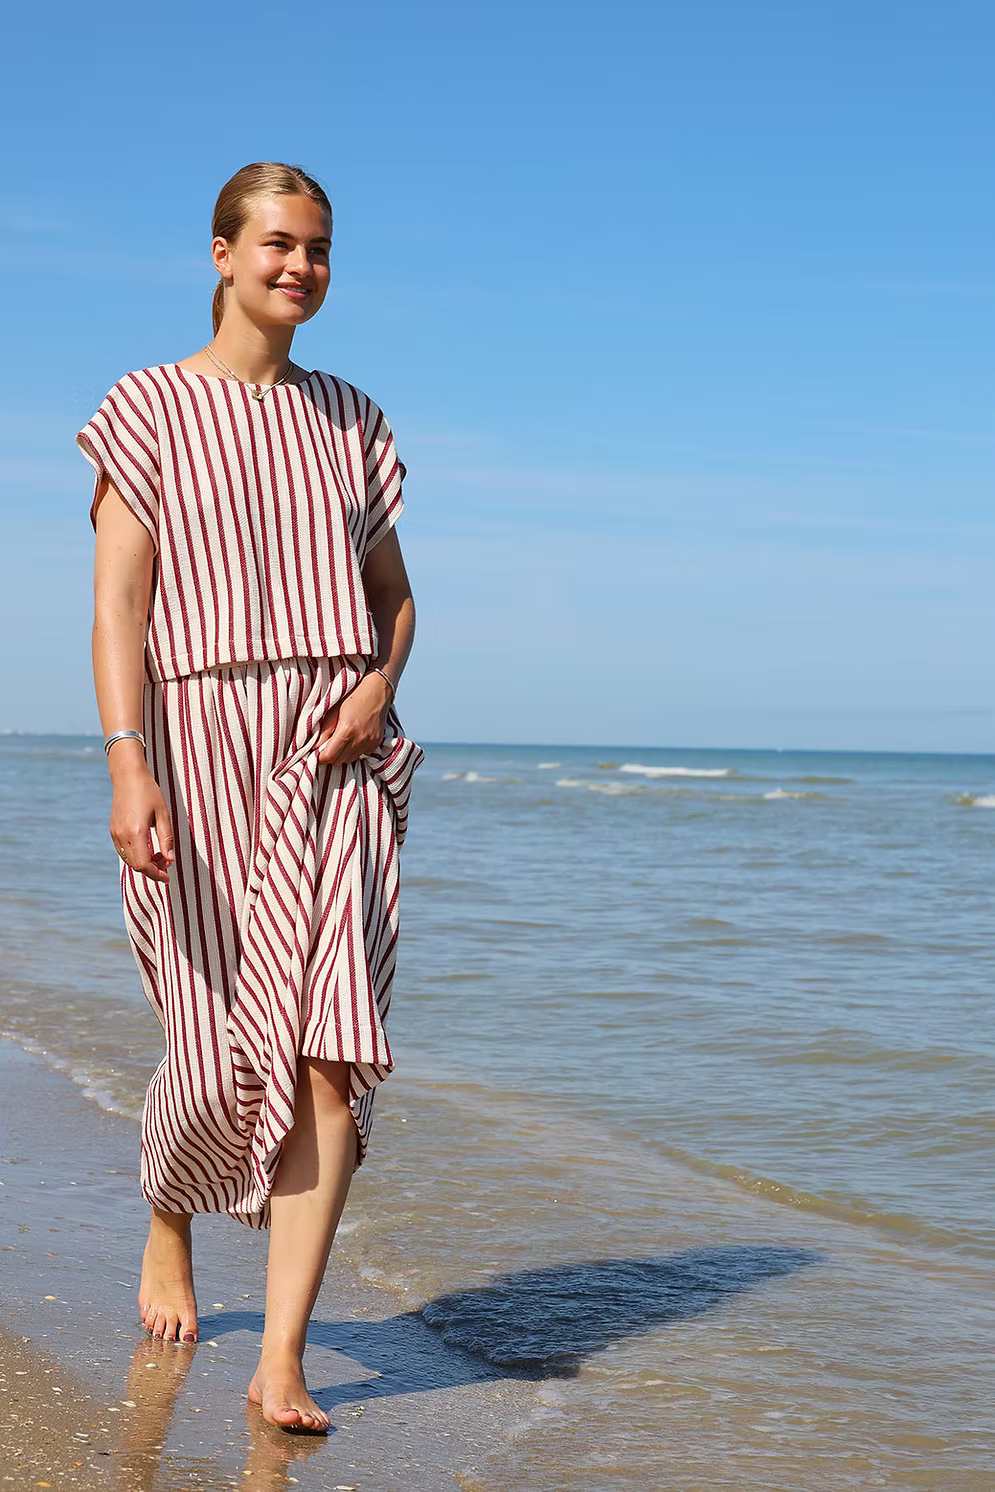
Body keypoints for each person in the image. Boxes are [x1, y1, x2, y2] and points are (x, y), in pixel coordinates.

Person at [77, 162, 423, 1434]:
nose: (301, 267)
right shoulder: (148, 407)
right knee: (219, 1049)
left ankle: (280, 1355)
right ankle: (168, 1212)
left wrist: (379, 684)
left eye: (319, 248)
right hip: (199, 746)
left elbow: (394, 595)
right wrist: (129, 760)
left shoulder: (352, 416)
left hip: (335, 753)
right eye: (277, 243)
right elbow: (118, 604)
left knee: (330, 1047)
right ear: (220, 254)